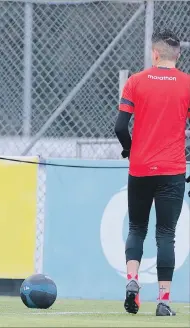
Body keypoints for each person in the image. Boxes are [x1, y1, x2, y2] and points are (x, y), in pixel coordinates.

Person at [115, 29, 190, 317]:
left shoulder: (136, 82)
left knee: (136, 228)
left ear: (154, 53)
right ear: (178, 56)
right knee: (166, 234)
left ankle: (133, 282)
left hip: (141, 168)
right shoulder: (186, 84)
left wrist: (129, 149)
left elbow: (121, 126)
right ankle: (164, 301)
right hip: (172, 169)